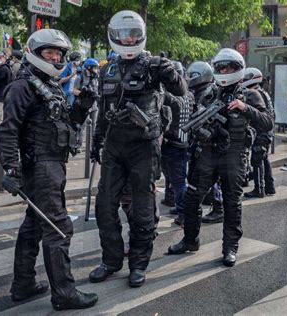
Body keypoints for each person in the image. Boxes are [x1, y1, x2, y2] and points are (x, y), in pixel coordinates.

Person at [0, 29, 98, 311]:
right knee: (58, 228)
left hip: (53, 164)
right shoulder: (22, 86)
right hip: (40, 167)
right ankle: (64, 294)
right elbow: (8, 131)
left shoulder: (49, 84)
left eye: (58, 53)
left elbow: (67, 124)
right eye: (49, 53)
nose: (55, 57)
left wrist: (84, 105)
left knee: (32, 227)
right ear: (35, 53)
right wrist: (10, 169)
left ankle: (23, 285)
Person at [89, 10, 187, 287]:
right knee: (105, 206)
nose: (128, 39)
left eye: (133, 34)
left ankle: (139, 264)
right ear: (114, 35)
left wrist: (170, 73)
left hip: (143, 146)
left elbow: (181, 91)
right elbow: (103, 108)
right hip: (114, 145)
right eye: (123, 34)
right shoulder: (106, 68)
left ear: (141, 35)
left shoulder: (154, 65)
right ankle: (111, 260)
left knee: (143, 209)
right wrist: (97, 139)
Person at [167, 48, 274, 267]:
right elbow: (196, 117)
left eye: (228, 67)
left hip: (234, 155)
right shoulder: (209, 93)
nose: (223, 71)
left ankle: (230, 248)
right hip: (207, 153)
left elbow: (267, 123)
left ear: (238, 69)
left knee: (232, 203)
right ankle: (190, 240)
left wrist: (245, 109)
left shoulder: (249, 94)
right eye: (220, 67)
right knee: (192, 198)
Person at [184, 61, 224, 224]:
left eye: (192, 75)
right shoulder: (199, 91)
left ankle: (218, 207)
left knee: (205, 179)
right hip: (199, 140)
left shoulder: (208, 93)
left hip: (208, 144)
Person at [160, 60, 193, 226]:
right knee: (175, 180)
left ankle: (183, 212)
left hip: (173, 143)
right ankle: (180, 207)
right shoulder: (190, 94)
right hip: (181, 143)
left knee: (179, 182)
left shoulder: (170, 96)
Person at [241, 67, 275, 198]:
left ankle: (259, 189)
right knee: (264, 159)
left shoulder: (255, 93)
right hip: (267, 131)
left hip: (262, 131)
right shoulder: (263, 92)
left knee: (257, 160)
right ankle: (270, 187)